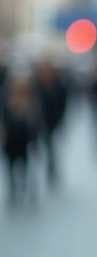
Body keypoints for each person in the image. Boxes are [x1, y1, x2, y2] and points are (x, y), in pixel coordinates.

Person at [1, 72, 43, 208]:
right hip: (11, 142)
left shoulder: (31, 102)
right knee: (11, 168)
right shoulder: (6, 100)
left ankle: (23, 191)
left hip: (25, 142)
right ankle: (14, 193)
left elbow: (35, 124)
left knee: (25, 167)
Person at [35, 58, 68, 186]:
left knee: (51, 147)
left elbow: (63, 104)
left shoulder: (59, 86)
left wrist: (60, 119)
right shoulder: (37, 86)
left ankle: (51, 169)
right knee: (41, 147)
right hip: (39, 123)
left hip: (53, 122)